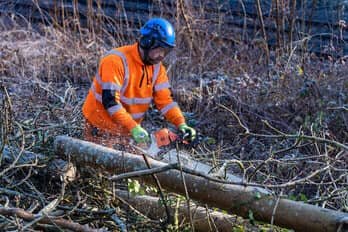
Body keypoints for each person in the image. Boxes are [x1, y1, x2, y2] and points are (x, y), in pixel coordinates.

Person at [82, 18, 196, 148]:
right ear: (147, 42)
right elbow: (111, 102)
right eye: (160, 49)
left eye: (166, 51)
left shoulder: (157, 69)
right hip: (99, 126)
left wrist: (181, 123)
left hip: (127, 130)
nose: (162, 55)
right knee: (100, 166)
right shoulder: (115, 61)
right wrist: (133, 126)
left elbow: (166, 101)